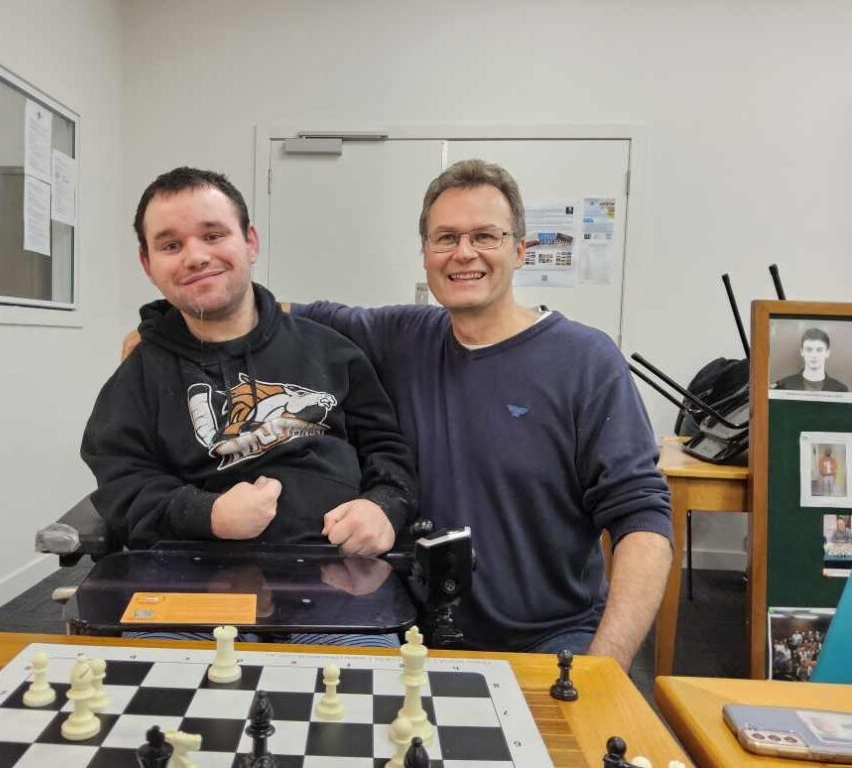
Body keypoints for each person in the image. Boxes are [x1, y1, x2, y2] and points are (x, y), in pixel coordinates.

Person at [290, 159, 674, 671]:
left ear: (519, 250)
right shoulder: (401, 336)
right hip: (413, 635)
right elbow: (271, 318)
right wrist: (161, 333)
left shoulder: (585, 360)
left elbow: (643, 521)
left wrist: (604, 669)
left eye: (485, 236)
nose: (463, 253)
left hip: (550, 641)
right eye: (445, 237)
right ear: (425, 254)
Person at [81, 167, 417, 645]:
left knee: (358, 703)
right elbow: (122, 486)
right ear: (147, 263)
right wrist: (207, 513)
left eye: (214, 235)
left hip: (333, 574)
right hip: (190, 574)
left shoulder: (332, 352)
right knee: (174, 707)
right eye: (171, 245)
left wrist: (384, 506)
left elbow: (388, 450)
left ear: (250, 242)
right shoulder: (137, 377)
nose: (196, 256)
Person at [774, 328, 849, 392]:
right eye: (809, 350)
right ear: (802, 351)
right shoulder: (783, 386)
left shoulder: (841, 389)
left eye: (819, 350)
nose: (814, 355)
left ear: (827, 353)